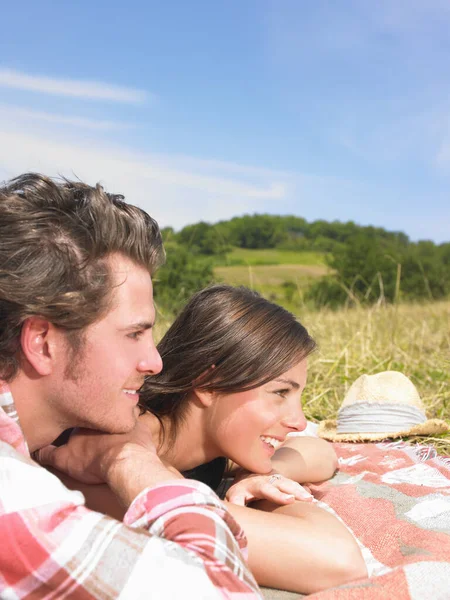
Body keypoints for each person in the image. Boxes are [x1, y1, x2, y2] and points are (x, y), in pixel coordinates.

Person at [0, 173, 261, 599]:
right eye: (133, 334)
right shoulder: (12, 494)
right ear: (42, 343)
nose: (154, 361)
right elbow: (220, 589)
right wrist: (131, 460)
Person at [49, 285, 368, 594]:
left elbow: (321, 453)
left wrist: (259, 476)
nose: (298, 421)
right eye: (280, 393)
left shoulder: (201, 446)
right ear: (210, 385)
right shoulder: (113, 459)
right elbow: (336, 561)